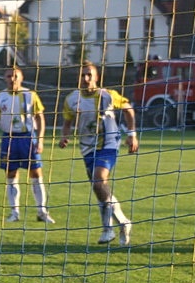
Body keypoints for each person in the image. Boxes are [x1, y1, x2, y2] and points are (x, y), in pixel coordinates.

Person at [59, 62, 139, 247]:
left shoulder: (107, 95)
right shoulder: (71, 99)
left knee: (98, 180)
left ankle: (111, 228)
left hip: (109, 144)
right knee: (99, 189)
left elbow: (128, 109)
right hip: (87, 147)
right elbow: (67, 121)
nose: (85, 78)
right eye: (82, 75)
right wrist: (64, 137)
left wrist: (132, 134)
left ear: (96, 77)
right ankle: (118, 225)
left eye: (89, 75)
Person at [0, 65, 55, 224]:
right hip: (9, 139)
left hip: (28, 138)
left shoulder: (30, 95)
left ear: (21, 77)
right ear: (4, 78)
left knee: (36, 174)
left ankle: (42, 211)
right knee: (11, 175)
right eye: (9, 76)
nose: (12, 79)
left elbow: (40, 117)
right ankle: (15, 212)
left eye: (15, 76)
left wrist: (40, 139)